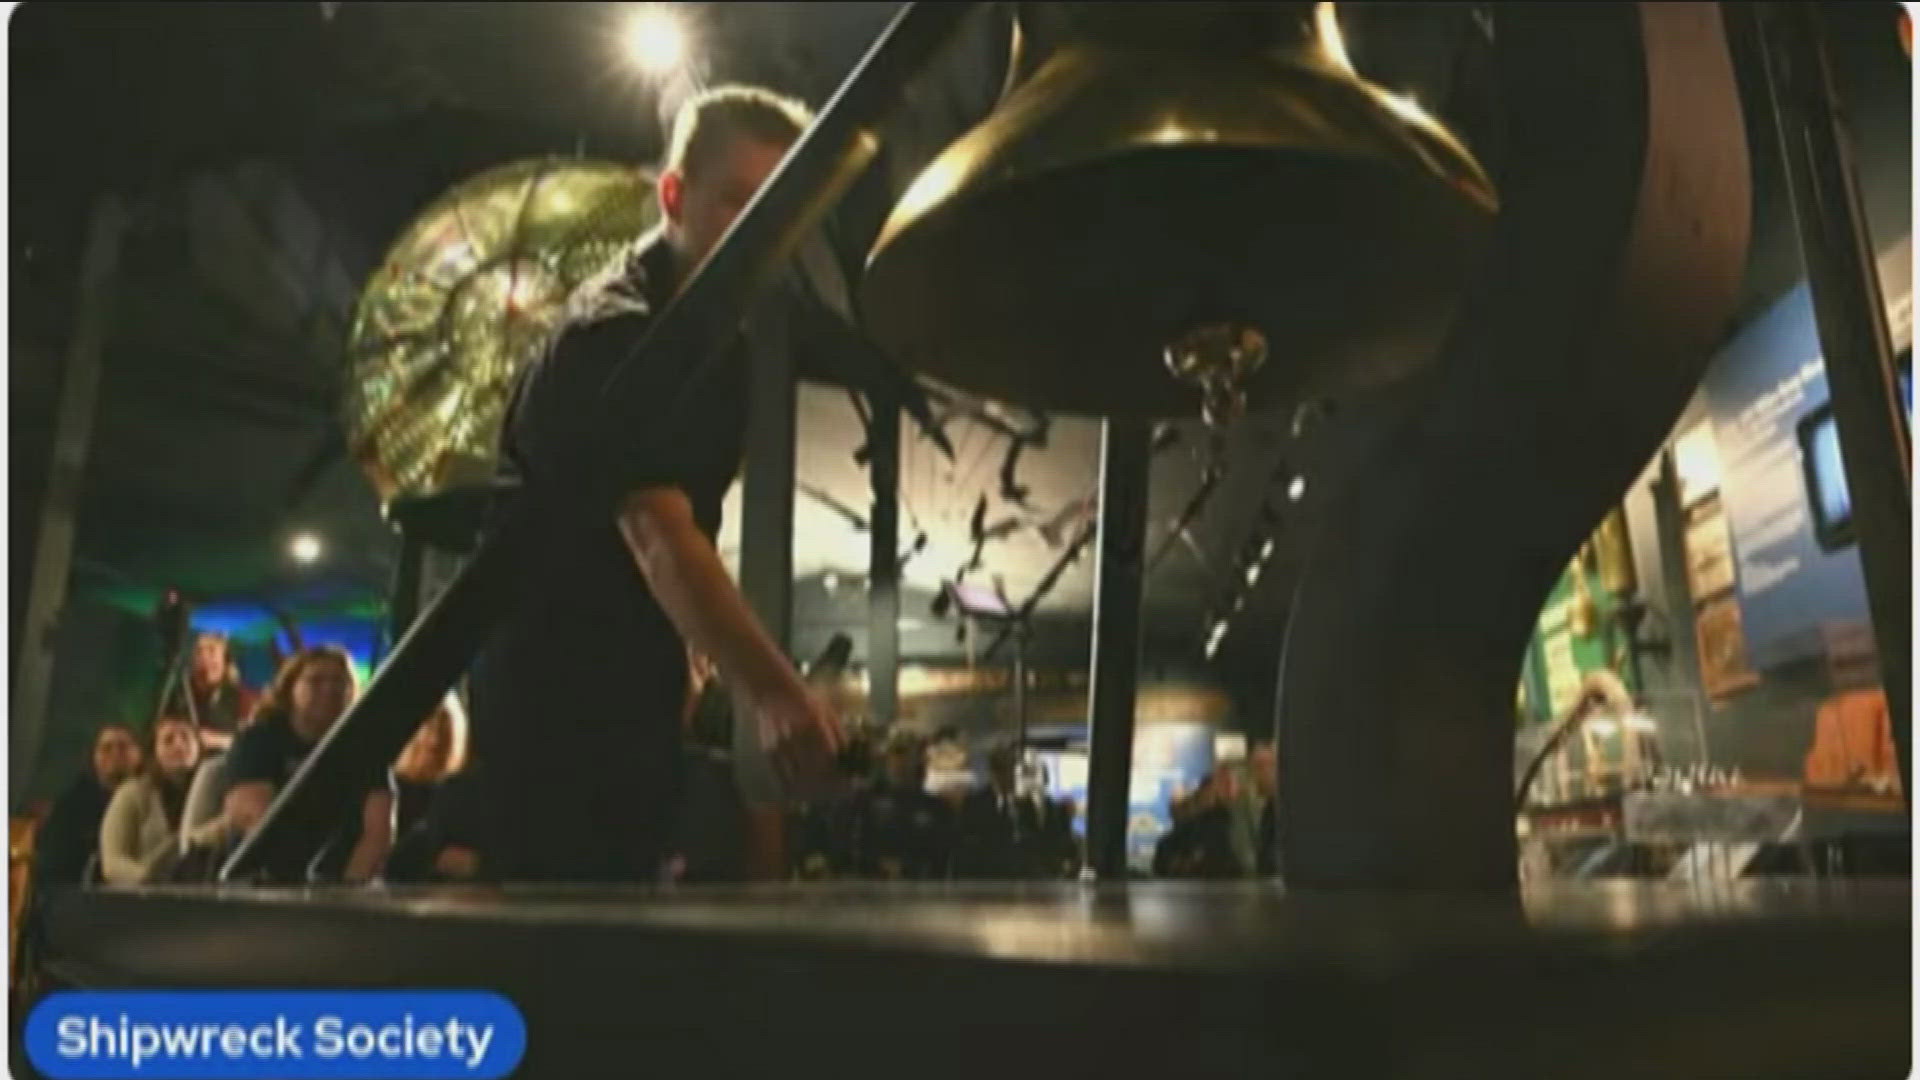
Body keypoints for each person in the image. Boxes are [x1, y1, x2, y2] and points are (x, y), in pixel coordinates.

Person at [455, 84, 842, 883]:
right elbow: (659, 535)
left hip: (621, 700)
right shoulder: (617, 332)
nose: (764, 231)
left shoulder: (710, 338)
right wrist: (772, 692)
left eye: (780, 208)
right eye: (738, 201)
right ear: (673, 195)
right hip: (554, 713)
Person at [217, 646, 393, 883]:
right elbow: (254, 817)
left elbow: (378, 831)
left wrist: (349, 888)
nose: (330, 689)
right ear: (290, 689)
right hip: (263, 881)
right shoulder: (260, 740)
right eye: (316, 680)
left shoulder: (365, 748)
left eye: (341, 682)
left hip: (342, 885)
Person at [32, 724, 141, 889]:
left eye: (123, 746)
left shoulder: (152, 798)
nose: (115, 753)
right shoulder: (71, 807)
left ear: (139, 754)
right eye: (106, 748)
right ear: (94, 756)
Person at [97, 717, 201, 885]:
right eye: (168, 740)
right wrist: (149, 878)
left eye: (186, 737)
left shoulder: (214, 792)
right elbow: (113, 863)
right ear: (154, 751)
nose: (179, 745)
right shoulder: (132, 794)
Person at [381, 695, 470, 881]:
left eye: (443, 729)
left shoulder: (459, 794)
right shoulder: (390, 787)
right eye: (428, 727)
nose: (434, 740)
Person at [845, 730, 954, 880]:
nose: (900, 760)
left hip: (920, 888)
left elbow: (941, 854)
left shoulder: (936, 807)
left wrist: (909, 868)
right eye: (896, 753)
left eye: (907, 754)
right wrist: (877, 866)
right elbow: (855, 846)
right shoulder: (865, 802)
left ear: (918, 759)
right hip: (874, 888)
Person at [163, 632, 257, 752]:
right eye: (199, 652)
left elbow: (252, 744)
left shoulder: (244, 697)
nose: (205, 658)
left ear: (224, 657)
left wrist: (217, 740)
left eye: (211, 650)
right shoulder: (178, 696)